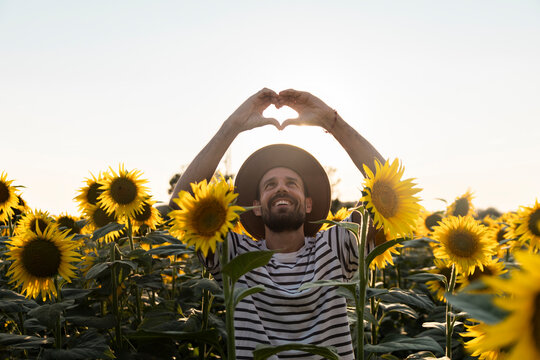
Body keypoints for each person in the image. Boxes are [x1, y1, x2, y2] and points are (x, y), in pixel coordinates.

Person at [169, 88, 384, 359]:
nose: (281, 189)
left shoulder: (334, 247)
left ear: (308, 204)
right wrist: (231, 128)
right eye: (270, 185)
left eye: (291, 183)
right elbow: (180, 207)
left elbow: (390, 198)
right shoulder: (235, 255)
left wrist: (333, 122)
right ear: (257, 206)